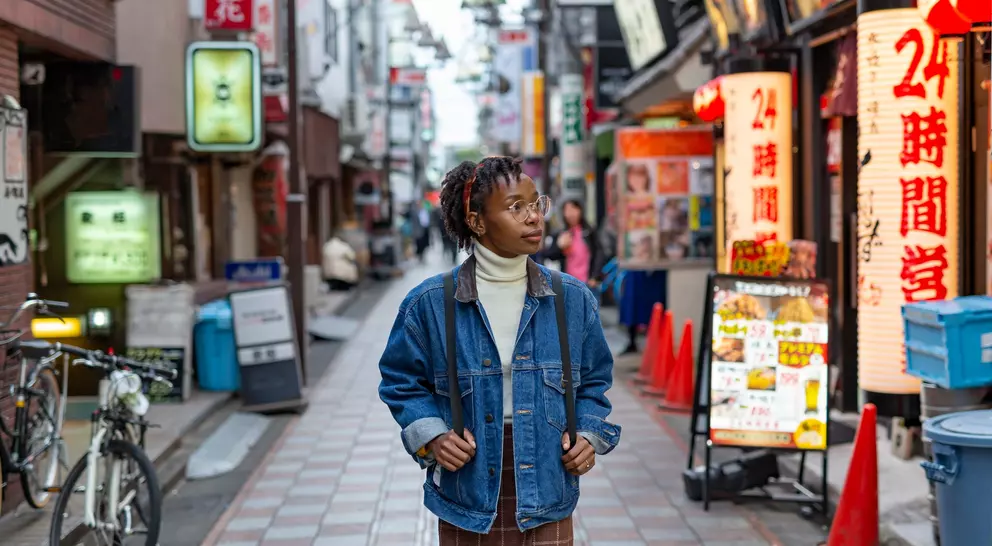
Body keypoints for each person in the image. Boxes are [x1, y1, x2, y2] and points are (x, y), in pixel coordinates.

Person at [378, 156, 621, 545]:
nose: (534, 218)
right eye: (515, 208)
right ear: (476, 221)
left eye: (536, 204)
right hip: (467, 491)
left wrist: (588, 436)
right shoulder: (431, 303)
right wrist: (434, 437)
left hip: (549, 487)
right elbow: (400, 381)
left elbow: (594, 381)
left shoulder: (570, 299)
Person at [543, 199, 604, 290]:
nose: (570, 214)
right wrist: (559, 246)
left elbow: (599, 253)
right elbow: (549, 255)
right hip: (568, 284)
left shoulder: (588, 231)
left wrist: (595, 276)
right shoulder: (561, 233)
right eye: (567, 210)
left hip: (588, 283)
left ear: (580, 210)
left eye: (573, 209)